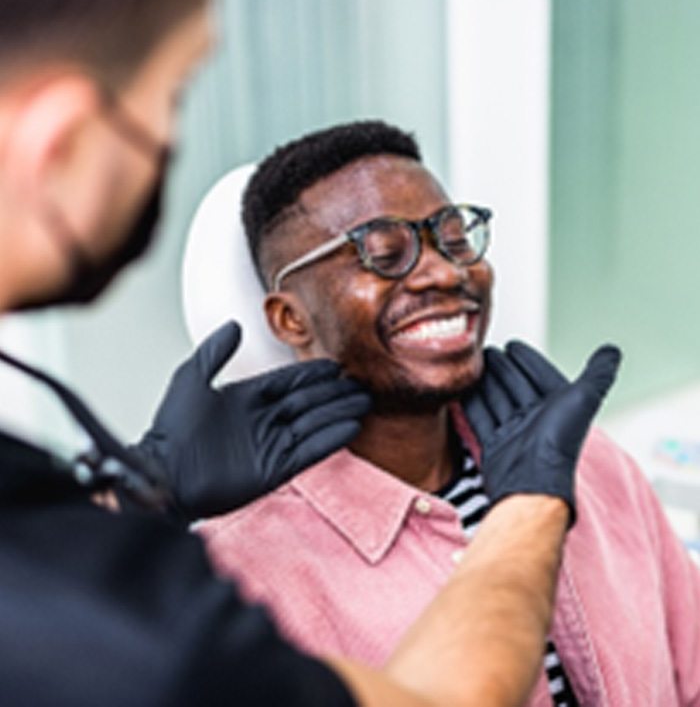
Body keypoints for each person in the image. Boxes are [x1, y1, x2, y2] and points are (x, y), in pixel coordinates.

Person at [0, 0, 621, 706]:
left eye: (453, 236)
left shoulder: (600, 467)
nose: (438, 273)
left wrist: (139, 485)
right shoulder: (226, 581)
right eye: (170, 95)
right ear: (59, 141)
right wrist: (529, 502)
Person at [199, 120, 700, 707]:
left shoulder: (584, 462)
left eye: (456, 239)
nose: (444, 272)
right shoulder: (242, 579)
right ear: (290, 320)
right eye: (384, 253)